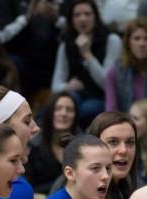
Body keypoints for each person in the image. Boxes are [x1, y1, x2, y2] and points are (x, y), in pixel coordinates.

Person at [52, 0, 123, 128]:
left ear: (96, 17)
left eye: (87, 14)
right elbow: (55, 85)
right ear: (71, 19)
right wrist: (66, 86)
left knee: (86, 110)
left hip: (103, 98)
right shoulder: (66, 44)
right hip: (77, 95)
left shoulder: (112, 40)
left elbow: (107, 84)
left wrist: (87, 54)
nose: (82, 19)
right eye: (77, 15)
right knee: (57, 107)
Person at [26, 92, 80, 199]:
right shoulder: (33, 146)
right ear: (49, 112)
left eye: (69, 110)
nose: (64, 113)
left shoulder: (82, 146)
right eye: (58, 109)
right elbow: (27, 187)